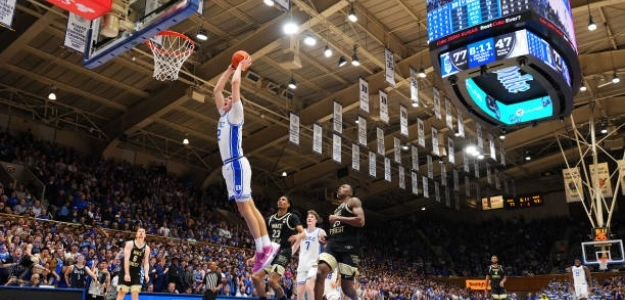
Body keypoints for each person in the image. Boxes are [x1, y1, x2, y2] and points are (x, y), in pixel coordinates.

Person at [213, 54, 280, 273]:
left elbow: (234, 85)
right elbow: (216, 89)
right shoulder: (223, 115)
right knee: (247, 206)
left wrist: (239, 67)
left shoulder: (235, 113)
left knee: (244, 207)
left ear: (233, 103)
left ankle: (264, 248)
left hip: (237, 164)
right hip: (231, 166)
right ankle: (266, 246)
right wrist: (229, 67)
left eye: (228, 99)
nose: (224, 99)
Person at [314, 184, 365, 300]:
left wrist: (338, 218)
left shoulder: (353, 202)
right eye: (339, 187)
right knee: (320, 271)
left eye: (344, 186)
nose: (340, 187)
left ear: (350, 193)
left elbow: (361, 221)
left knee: (346, 288)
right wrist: (326, 239)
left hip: (349, 247)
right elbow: (338, 231)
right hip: (333, 246)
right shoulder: (337, 209)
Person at [251, 196, 304, 300]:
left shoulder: (291, 217)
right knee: (255, 278)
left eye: (283, 199)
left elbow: (302, 232)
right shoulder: (270, 219)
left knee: (272, 281)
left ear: (288, 205)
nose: (280, 200)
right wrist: (254, 257)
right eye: (279, 199)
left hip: (284, 251)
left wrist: (296, 236)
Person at [294, 210, 327, 300]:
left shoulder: (320, 232)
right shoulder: (302, 232)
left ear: (316, 220)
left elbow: (327, 246)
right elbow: (295, 247)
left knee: (309, 286)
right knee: (300, 293)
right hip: (302, 265)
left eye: (312, 217)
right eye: (308, 217)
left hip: (314, 264)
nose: (309, 218)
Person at [116, 228, 151, 300]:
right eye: (139, 231)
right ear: (136, 234)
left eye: (143, 232)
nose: (141, 233)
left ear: (145, 235)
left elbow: (146, 262)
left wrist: (146, 274)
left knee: (135, 294)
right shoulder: (130, 244)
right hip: (125, 271)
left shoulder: (147, 248)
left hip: (136, 272)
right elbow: (126, 259)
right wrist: (127, 274)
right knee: (122, 293)